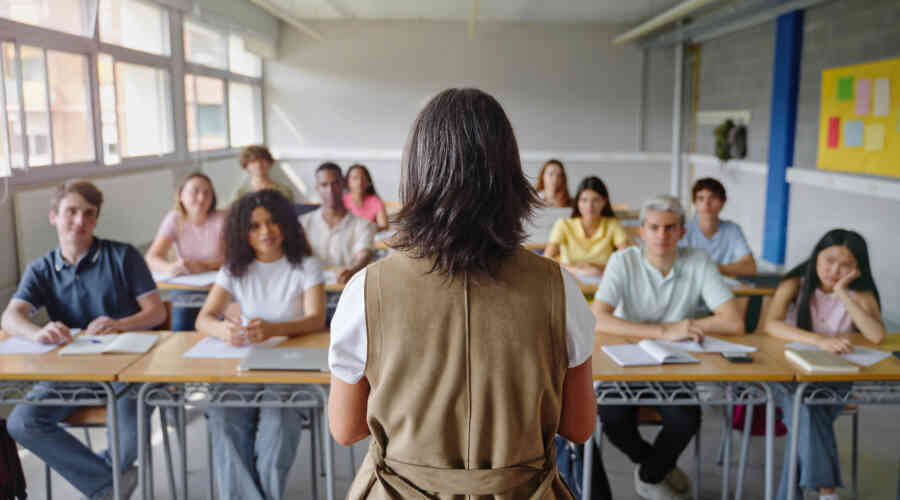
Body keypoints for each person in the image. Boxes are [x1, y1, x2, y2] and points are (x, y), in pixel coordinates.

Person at [328, 88, 597, 499]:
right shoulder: (558, 288)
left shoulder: (366, 290)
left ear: (418, 172)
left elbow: (346, 429)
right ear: (509, 174)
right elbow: (578, 426)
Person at [1, 179, 166, 500]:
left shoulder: (123, 256)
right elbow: (9, 317)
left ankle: (106, 479)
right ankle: (108, 485)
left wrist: (120, 324)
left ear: (96, 220)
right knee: (21, 423)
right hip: (71, 371)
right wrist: (38, 332)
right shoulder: (42, 268)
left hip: (128, 369)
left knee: (127, 448)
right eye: (71, 212)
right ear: (54, 217)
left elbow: (156, 313)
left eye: (89, 213)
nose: (80, 221)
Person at [591, 194, 744, 500]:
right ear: (641, 231)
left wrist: (686, 327)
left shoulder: (698, 260)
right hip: (625, 357)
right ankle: (656, 464)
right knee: (613, 420)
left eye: (670, 228)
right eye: (654, 227)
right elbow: (597, 316)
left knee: (686, 419)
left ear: (682, 232)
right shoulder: (623, 260)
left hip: (675, 360)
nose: (662, 235)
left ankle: (650, 474)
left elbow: (733, 321)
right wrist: (662, 330)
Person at [195, 189, 326, 500]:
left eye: (272, 222)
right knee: (223, 416)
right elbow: (204, 318)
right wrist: (223, 331)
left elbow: (316, 319)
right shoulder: (234, 268)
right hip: (245, 365)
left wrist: (274, 329)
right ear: (243, 233)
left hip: (293, 367)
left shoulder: (306, 265)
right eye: (255, 226)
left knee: (277, 422)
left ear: (285, 225)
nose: (266, 231)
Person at [762, 229, 884, 500]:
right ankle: (827, 491)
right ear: (816, 256)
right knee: (804, 403)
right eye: (829, 260)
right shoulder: (795, 283)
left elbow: (876, 335)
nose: (834, 270)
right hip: (787, 372)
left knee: (803, 409)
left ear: (857, 268)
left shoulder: (859, 293)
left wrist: (842, 292)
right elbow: (771, 324)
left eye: (846, 265)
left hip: (833, 376)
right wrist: (818, 340)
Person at [145, 171, 226, 330]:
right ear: (181, 195)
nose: (201, 198)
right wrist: (170, 268)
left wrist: (205, 266)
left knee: (216, 330)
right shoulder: (174, 219)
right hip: (186, 288)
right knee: (181, 331)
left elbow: (236, 258)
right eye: (195, 191)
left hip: (217, 287)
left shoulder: (223, 218)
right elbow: (152, 257)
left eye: (207, 192)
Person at [299, 163, 375, 284]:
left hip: (347, 289)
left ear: (344, 185)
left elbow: (364, 256)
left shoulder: (363, 225)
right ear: (317, 188)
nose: (330, 190)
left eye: (335, 184)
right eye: (324, 185)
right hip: (311, 288)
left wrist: (352, 272)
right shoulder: (302, 224)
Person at [544, 176, 629, 277]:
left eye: (595, 200)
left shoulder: (612, 225)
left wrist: (596, 268)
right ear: (578, 202)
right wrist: (575, 270)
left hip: (601, 282)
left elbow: (626, 259)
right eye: (584, 200)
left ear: (604, 202)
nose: (589, 206)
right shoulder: (563, 224)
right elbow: (547, 259)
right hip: (568, 280)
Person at [679, 177, 756, 277]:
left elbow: (750, 267)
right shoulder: (683, 230)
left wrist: (712, 268)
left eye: (713, 198)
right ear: (695, 203)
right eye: (701, 198)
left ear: (723, 201)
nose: (707, 204)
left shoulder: (733, 230)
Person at [229, 145, 295, 204]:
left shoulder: (284, 191)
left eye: (262, 161)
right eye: (253, 162)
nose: (258, 165)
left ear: (270, 163)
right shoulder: (241, 193)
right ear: (246, 166)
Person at [343, 163, 388, 231]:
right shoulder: (341, 201)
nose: (359, 182)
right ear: (347, 182)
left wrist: (367, 231)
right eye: (355, 178)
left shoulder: (375, 201)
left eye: (363, 178)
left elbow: (384, 226)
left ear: (368, 182)